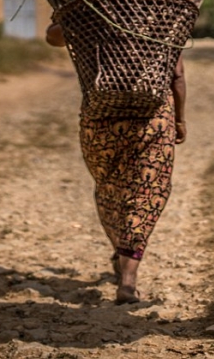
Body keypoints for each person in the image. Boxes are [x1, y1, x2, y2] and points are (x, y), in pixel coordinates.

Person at [45, 22, 187, 304]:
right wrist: (181, 118)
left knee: (110, 188)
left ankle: (121, 253)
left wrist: (77, 20)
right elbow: (178, 74)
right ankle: (128, 278)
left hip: (101, 114)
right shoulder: (162, 9)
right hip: (154, 115)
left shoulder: (87, 4)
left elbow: (54, 37)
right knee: (148, 191)